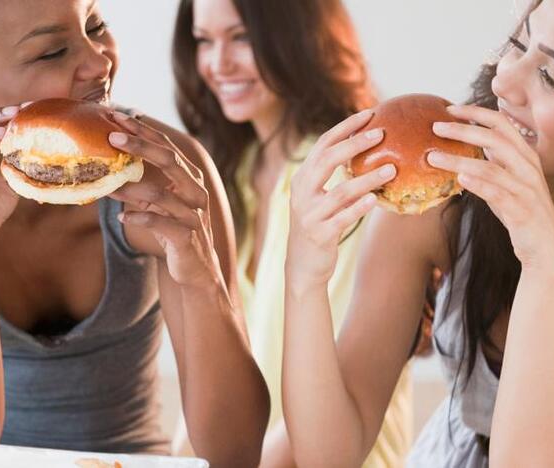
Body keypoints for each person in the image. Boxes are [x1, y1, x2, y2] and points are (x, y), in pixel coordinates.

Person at [283, 0, 554, 466]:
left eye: (553, 78)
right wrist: (304, 280)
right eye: (517, 45)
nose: (503, 81)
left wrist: (544, 267)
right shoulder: (438, 208)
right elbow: (329, 455)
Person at [0, 1, 269, 466]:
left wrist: (201, 276)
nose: (100, 61)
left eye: (95, 25)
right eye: (52, 51)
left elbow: (235, 454)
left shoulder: (166, 169)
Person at [172, 0, 414, 465]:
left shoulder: (351, 178)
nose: (218, 64)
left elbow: (338, 381)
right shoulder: (232, 174)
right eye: (204, 41)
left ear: (300, 35)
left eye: (240, 37)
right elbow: (210, 372)